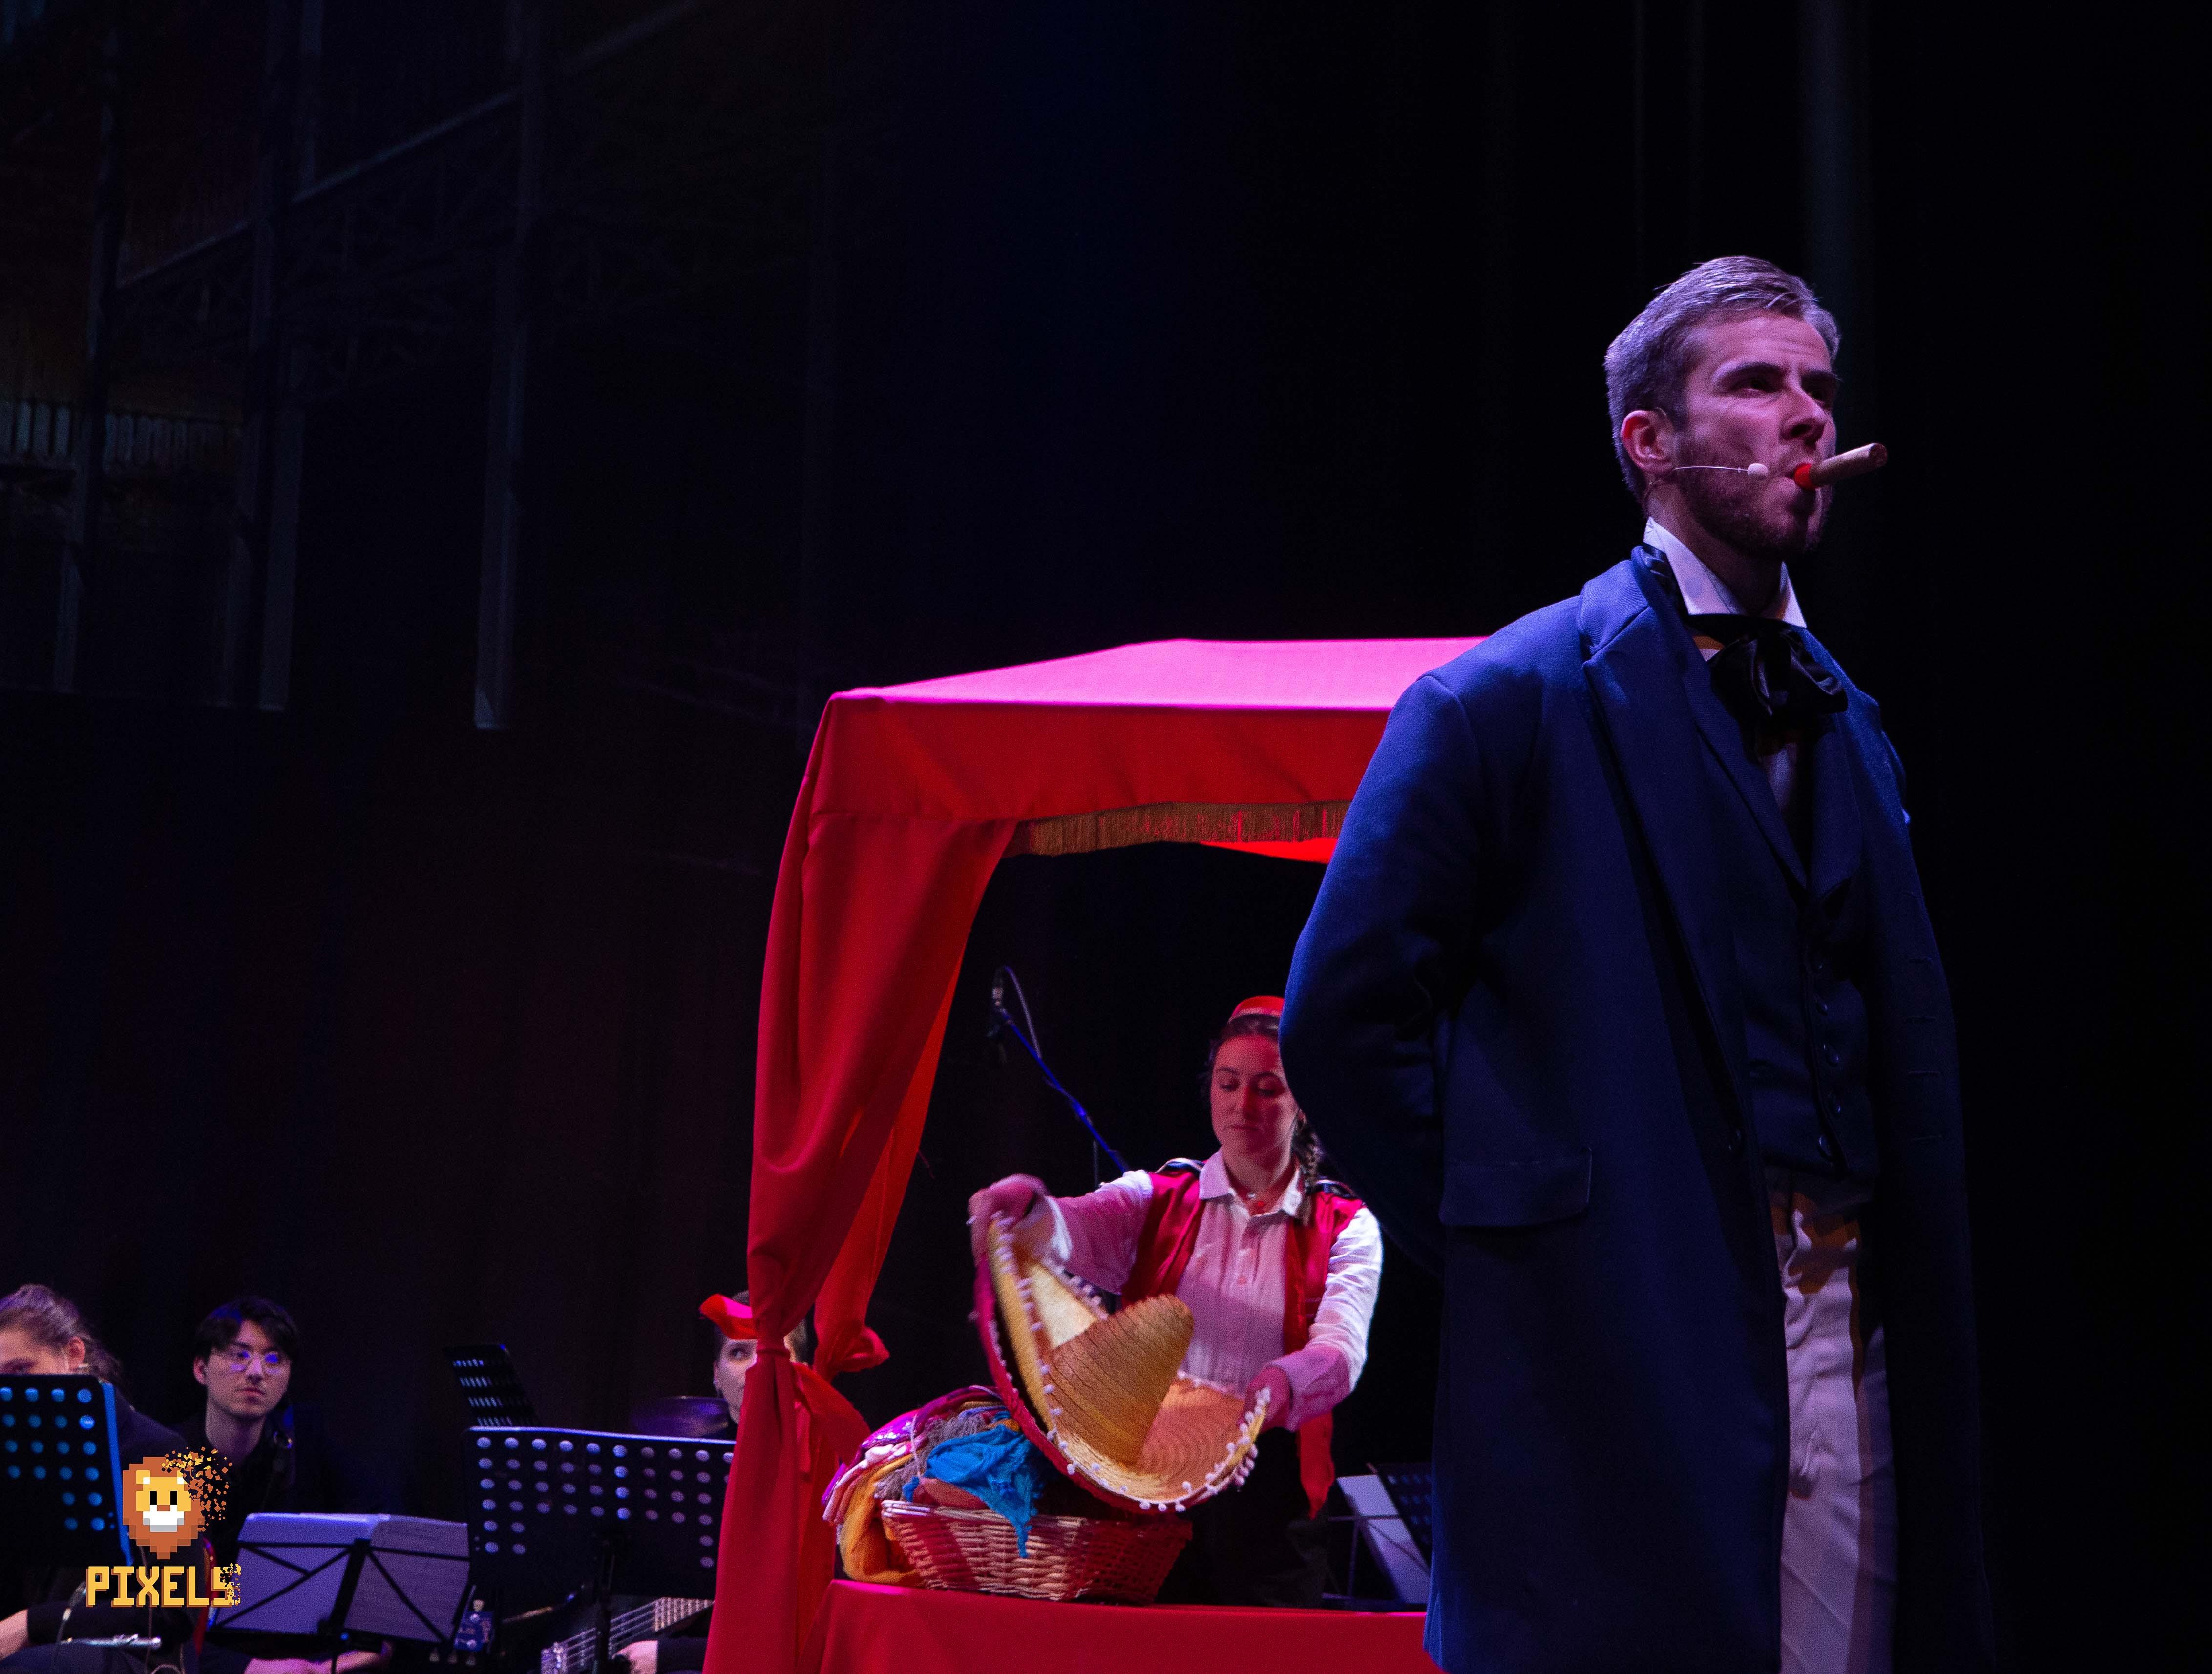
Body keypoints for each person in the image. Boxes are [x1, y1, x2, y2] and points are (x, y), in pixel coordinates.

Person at [1281, 256, 1990, 1674]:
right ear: (1650, 441)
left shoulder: (1855, 725)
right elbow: (1343, 1021)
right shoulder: (1502, 698)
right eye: (1756, 383)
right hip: (1621, 1342)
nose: (1806, 414)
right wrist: (1535, 1248)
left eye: (1818, 387)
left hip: (1851, 1326)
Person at [965, 996, 1382, 1608]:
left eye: (1268, 1088)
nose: (1242, 1105)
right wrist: (1027, 1206)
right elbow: (1069, 1226)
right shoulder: (1156, 1195)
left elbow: (1340, 1349)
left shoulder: (1345, 1222)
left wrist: (1272, 1390)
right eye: (1228, 1083)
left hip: (1270, 1488)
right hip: (1146, 1473)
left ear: (1303, 1101)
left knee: (1258, 1647)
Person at [0, 1284, 190, 1673]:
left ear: (73, 1354)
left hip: (130, 1659)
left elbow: (172, 1606)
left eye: (20, 1371)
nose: (7, 1392)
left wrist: (33, 1623)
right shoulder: (14, 1454)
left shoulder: (155, 1455)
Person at [617, 1297, 813, 1674]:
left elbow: (802, 1630)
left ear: (802, 1371)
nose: (756, 1366)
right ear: (716, 1374)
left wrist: (672, 1656)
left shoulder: (822, 1465)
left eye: (772, 1352)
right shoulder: (681, 1468)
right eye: (738, 1353)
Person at [175, 1297, 359, 1568]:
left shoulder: (306, 1447)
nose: (257, 1372)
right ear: (201, 1369)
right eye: (239, 1355)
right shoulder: (164, 1458)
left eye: (273, 1359)